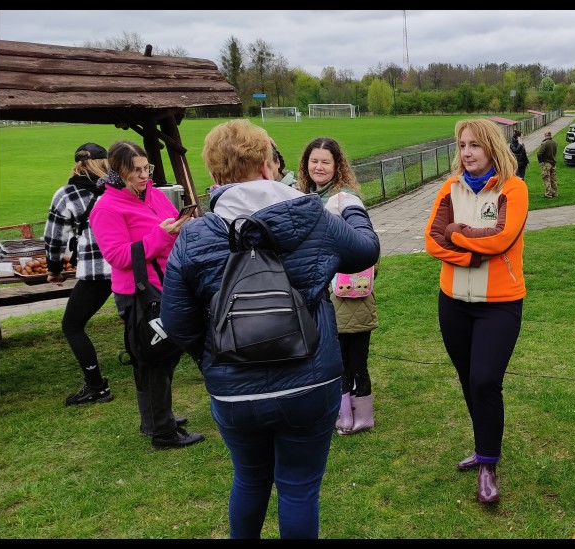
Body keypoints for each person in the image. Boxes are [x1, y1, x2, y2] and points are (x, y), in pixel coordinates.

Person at [159, 120, 380, 539]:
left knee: (249, 478)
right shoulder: (312, 217)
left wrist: (216, 358)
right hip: (309, 380)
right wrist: (352, 207)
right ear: (266, 165)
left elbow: (177, 323)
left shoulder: (194, 236)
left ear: (215, 172)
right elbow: (365, 251)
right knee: (298, 488)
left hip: (234, 390)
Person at [423, 118, 528, 505]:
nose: (466, 153)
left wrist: (456, 233)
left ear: (491, 147)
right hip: (453, 302)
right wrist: (470, 255)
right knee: (469, 380)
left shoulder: (512, 188)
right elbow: (432, 241)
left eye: (475, 145)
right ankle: (483, 447)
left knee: (485, 381)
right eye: (462, 145)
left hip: (499, 304)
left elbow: (501, 239)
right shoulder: (449, 189)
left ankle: (488, 466)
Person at [89, 140, 204, 449]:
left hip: (167, 285)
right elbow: (118, 256)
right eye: (136, 171)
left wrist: (184, 226)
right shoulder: (106, 207)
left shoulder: (152, 193)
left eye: (146, 168)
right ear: (118, 171)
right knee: (154, 358)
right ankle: (163, 432)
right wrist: (161, 235)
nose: (144, 176)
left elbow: (171, 226)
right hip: (139, 294)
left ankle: (155, 419)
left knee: (160, 357)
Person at [298, 136, 380, 436]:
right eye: (314, 161)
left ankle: (360, 416)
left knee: (354, 359)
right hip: (321, 293)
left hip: (346, 291)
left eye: (325, 162)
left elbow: (364, 243)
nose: (319, 167)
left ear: (337, 166)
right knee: (334, 359)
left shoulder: (343, 199)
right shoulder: (307, 197)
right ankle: (344, 415)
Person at [43, 142, 115, 406]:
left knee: (72, 325)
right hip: (129, 263)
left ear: (77, 165)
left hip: (98, 271)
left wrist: (54, 270)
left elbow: (54, 238)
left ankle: (96, 387)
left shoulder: (66, 194)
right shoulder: (121, 188)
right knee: (142, 319)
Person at [537, 130, 558, 198]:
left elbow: (539, 153)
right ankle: (554, 192)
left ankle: (548, 193)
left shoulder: (545, 143)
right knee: (553, 179)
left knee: (546, 178)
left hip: (547, 163)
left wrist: (540, 161)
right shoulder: (555, 143)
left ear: (545, 135)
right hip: (553, 163)